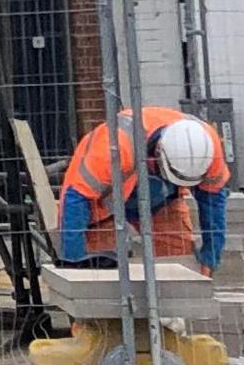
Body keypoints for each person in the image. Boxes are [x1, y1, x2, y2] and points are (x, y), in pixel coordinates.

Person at [56, 106, 231, 267]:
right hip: (103, 204)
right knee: (97, 270)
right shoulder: (113, 147)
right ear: (157, 153)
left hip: (161, 200)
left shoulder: (207, 147)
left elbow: (212, 200)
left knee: (178, 263)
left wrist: (211, 253)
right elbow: (76, 199)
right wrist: (74, 261)